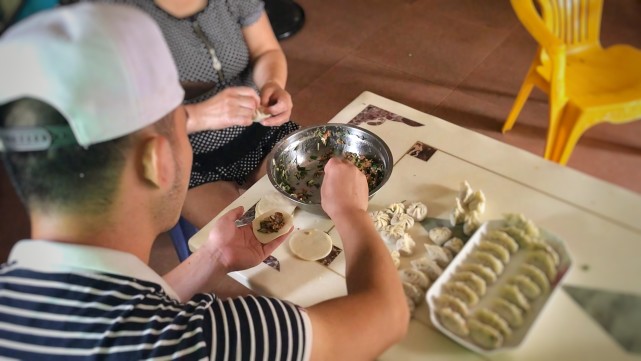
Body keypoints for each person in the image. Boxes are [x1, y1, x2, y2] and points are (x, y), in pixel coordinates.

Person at [0, 3, 408, 360]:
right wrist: (350, 212)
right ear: (156, 161)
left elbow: (120, 309)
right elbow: (386, 317)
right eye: (182, 123)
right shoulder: (215, 339)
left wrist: (212, 258)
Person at [85, 0, 299, 229]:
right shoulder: (115, 13)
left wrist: (273, 84)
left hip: (261, 130)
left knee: (311, 200)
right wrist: (197, 115)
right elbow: (113, 121)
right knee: (251, 236)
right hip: (187, 157)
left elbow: (265, 50)